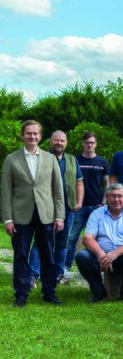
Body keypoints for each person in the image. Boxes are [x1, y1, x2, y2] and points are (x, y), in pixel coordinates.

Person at [2, 120, 65, 307]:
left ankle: (49, 292)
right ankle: (21, 294)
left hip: (46, 214)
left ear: (40, 136)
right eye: (28, 133)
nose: (32, 137)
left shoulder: (50, 158)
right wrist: (7, 218)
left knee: (47, 255)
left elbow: (58, 190)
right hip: (20, 216)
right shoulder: (11, 159)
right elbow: (5, 192)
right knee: (21, 255)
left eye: (36, 133)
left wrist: (59, 216)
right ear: (22, 135)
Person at [28, 131, 83, 287]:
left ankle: (59, 274)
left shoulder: (72, 160)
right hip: (45, 209)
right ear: (51, 141)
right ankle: (33, 275)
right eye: (56, 140)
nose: (59, 143)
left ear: (66, 143)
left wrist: (79, 201)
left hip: (68, 210)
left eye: (62, 141)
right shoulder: (40, 158)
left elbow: (79, 182)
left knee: (62, 244)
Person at [75, 184, 123, 303]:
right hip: (101, 255)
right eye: (113, 196)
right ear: (107, 197)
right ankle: (99, 292)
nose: (116, 199)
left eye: (119, 196)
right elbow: (87, 238)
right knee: (82, 256)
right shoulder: (96, 214)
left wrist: (115, 253)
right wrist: (101, 254)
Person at [65, 132, 109, 273]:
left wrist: (104, 202)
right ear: (83, 144)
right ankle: (65, 267)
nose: (89, 145)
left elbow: (106, 183)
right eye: (87, 142)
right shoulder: (75, 161)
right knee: (71, 238)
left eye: (92, 142)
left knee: (98, 238)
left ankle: (97, 265)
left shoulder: (102, 162)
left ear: (95, 144)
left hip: (97, 206)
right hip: (79, 207)